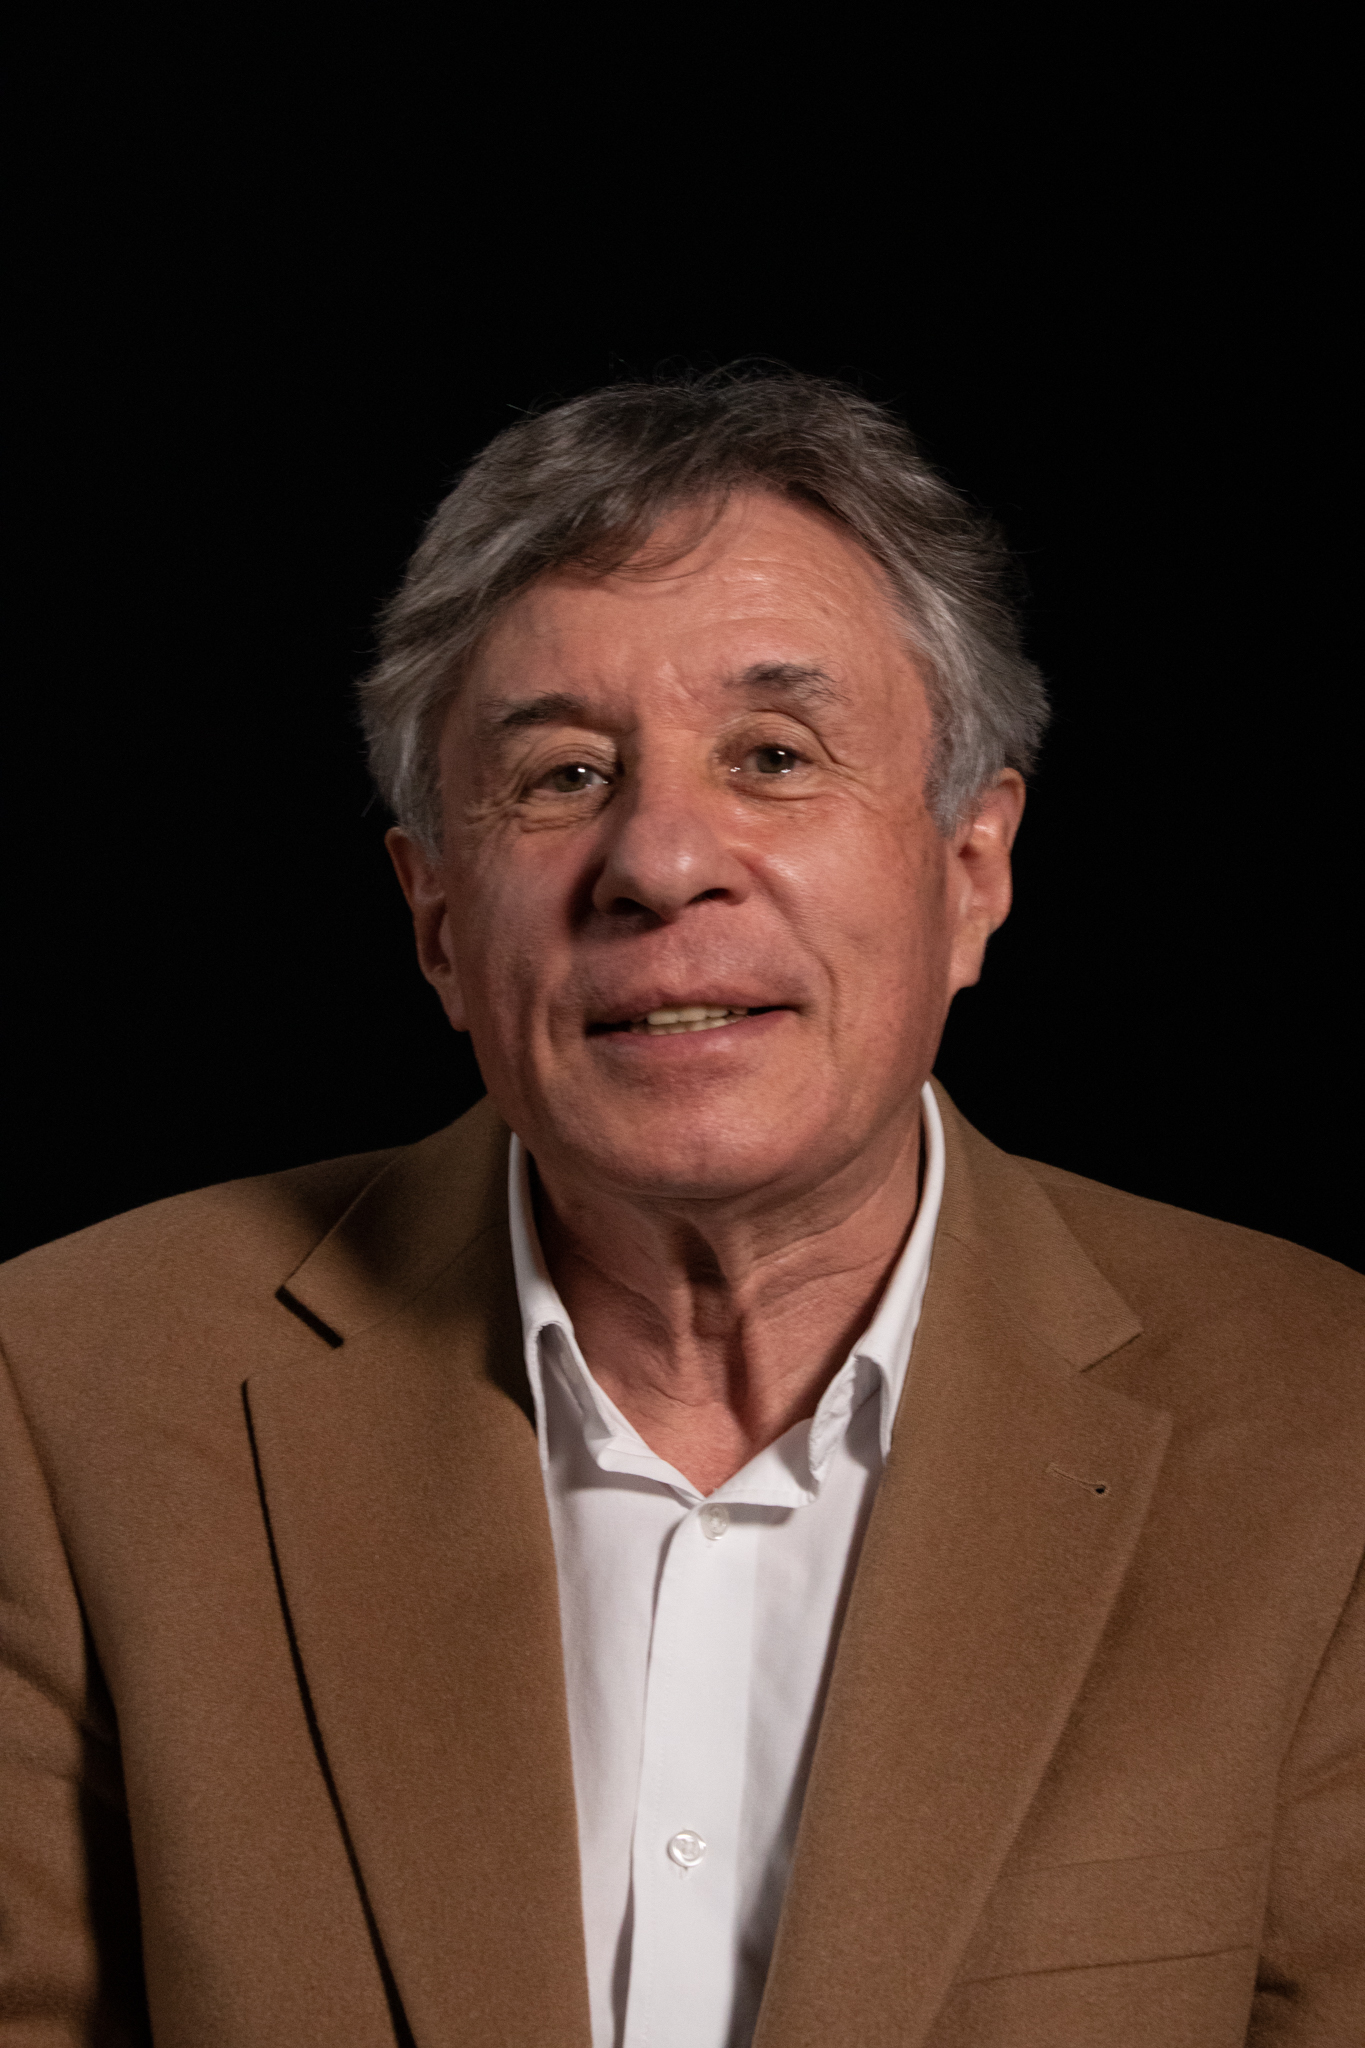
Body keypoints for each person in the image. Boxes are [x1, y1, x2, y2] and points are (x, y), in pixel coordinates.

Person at [1, 371, 1360, 2048]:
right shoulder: (61, 1392)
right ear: (437, 923)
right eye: (562, 775)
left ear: (970, 870)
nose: (657, 861)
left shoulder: (1327, 1423)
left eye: (772, 757)